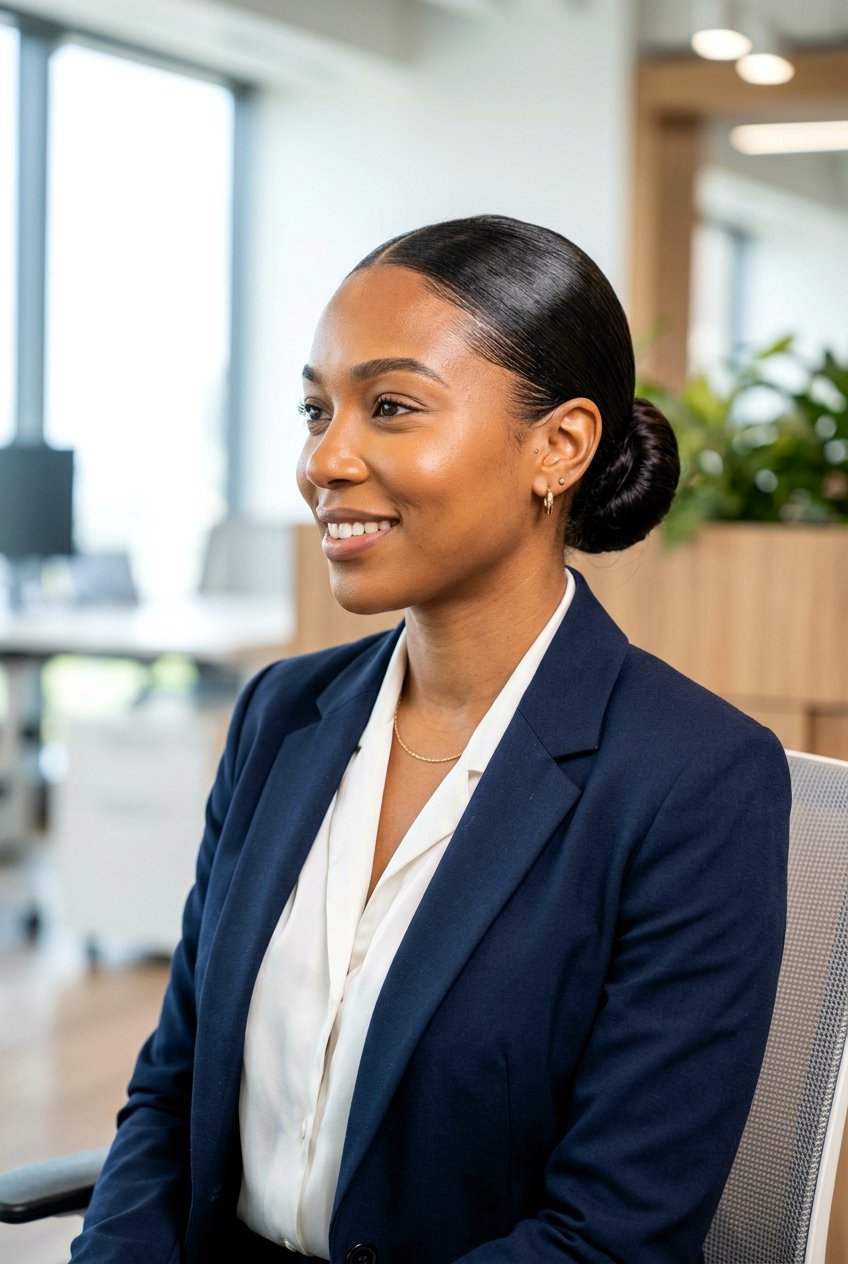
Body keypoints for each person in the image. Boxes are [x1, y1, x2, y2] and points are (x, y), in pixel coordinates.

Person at [70, 215, 790, 1264]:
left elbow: (612, 1236)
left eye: (392, 407)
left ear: (559, 446)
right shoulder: (281, 715)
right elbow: (173, 1095)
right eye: (315, 409)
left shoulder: (694, 780)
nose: (324, 459)